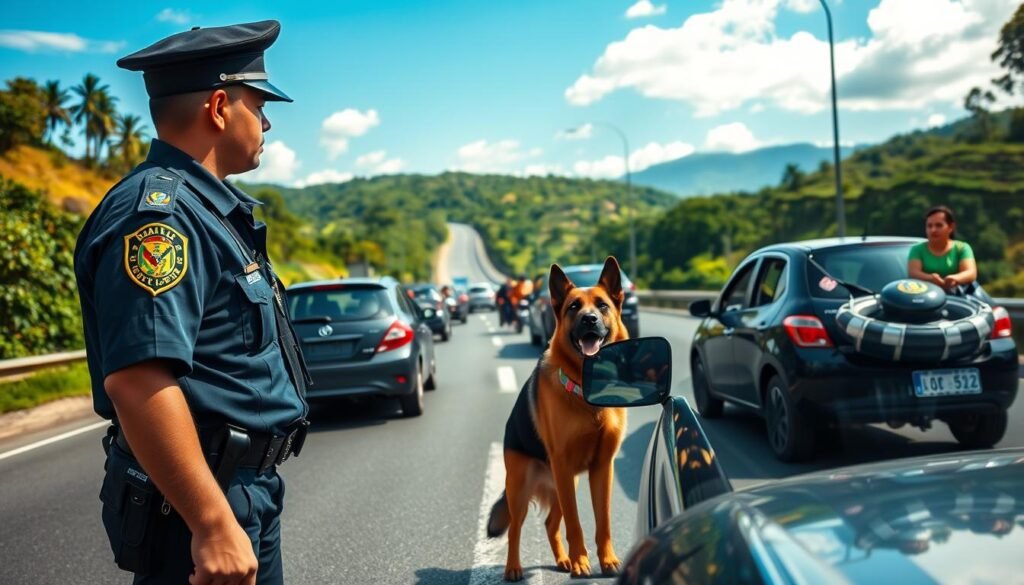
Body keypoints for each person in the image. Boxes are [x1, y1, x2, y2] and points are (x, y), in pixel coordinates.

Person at [74, 21, 310, 585]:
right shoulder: (162, 218)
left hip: (240, 491)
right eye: (259, 103)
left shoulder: (209, 213)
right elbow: (138, 380)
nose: (268, 120)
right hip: (199, 500)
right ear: (222, 106)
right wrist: (210, 522)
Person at [907, 206, 978, 293]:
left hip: (958, 297)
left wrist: (954, 278)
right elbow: (913, 273)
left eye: (939, 225)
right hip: (925, 297)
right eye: (929, 226)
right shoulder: (917, 249)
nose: (933, 230)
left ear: (951, 227)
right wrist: (931, 278)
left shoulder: (962, 248)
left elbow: (971, 273)